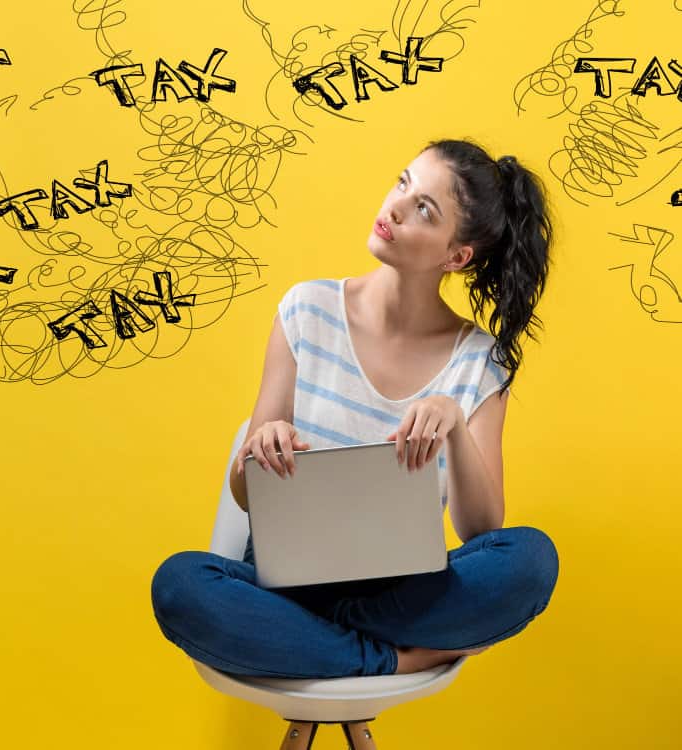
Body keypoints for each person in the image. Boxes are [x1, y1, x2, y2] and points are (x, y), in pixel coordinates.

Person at [150, 138, 561, 678]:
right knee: (180, 585)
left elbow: (482, 530)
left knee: (532, 560)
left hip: (399, 595)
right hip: (283, 588)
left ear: (456, 257)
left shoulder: (480, 363)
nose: (394, 206)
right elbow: (244, 492)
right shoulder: (306, 310)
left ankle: (327, 644)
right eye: (403, 183)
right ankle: (387, 658)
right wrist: (259, 450)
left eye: (423, 209)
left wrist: (456, 428)